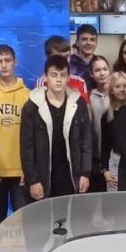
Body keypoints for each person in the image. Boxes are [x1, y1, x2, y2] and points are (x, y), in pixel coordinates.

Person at [20, 55, 92, 203]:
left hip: (72, 177)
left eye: (63, 75)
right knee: (43, 216)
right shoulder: (32, 106)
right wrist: (32, 180)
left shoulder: (78, 103)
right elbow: (26, 147)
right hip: (43, 178)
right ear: (46, 77)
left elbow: (86, 141)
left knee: (72, 215)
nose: (59, 79)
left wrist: (85, 173)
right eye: (54, 75)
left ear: (68, 77)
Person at [0, 45, 29, 235]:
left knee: (24, 223)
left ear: (15, 62)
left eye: (7, 60)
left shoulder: (28, 95)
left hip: (21, 171)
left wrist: (29, 168)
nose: (4, 65)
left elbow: (34, 137)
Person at [98, 71, 126, 192]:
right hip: (115, 162)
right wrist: (105, 170)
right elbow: (105, 145)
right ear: (111, 90)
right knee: (115, 200)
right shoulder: (107, 116)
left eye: (125, 86)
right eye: (118, 86)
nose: (122, 89)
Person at [35, 36, 89, 102]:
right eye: (58, 57)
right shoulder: (42, 82)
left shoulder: (79, 82)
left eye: (66, 56)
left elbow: (85, 107)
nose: (63, 61)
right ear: (48, 58)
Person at [87, 55, 112, 192]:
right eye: (97, 70)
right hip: (95, 157)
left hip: (114, 157)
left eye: (105, 69)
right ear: (91, 74)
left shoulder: (118, 93)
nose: (102, 73)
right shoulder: (89, 97)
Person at [70, 24, 98, 88]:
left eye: (92, 39)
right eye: (84, 39)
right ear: (77, 42)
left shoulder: (100, 63)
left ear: (96, 42)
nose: (88, 43)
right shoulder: (68, 63)